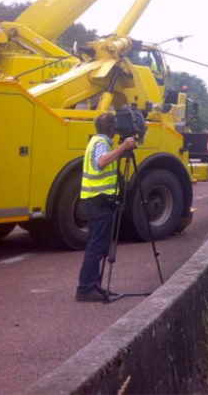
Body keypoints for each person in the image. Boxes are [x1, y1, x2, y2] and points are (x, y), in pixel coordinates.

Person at [76, 112, 137, 302]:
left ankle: (93, 285)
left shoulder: (97, 142)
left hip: (97, 200)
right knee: (97, 245)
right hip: (98, 201)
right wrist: (123, 147)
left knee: (98, 244)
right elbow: (102, 162)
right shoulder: (101, 143)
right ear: (112, 129)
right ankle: (86, 289)